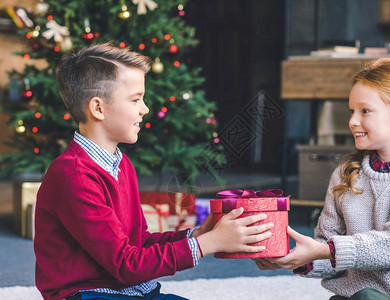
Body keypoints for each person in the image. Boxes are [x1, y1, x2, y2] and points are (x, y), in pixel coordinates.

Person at [34, 42, 273, 300]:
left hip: (131, 290)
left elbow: (138, 244)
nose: (144, 108)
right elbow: (126, 265)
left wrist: (197, 235)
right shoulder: (74, 176)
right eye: (136, 99)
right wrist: (209, 244)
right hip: (87, 294)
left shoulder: (121, 165)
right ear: (98, 108)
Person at [254, 58, 390, 299]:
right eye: (352, 111)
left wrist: (325, 250)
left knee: (366, 297)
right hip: (353, 297)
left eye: (365, 111)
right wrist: (298, 259)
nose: (352, 121)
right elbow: (328, 250)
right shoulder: (346, 173)